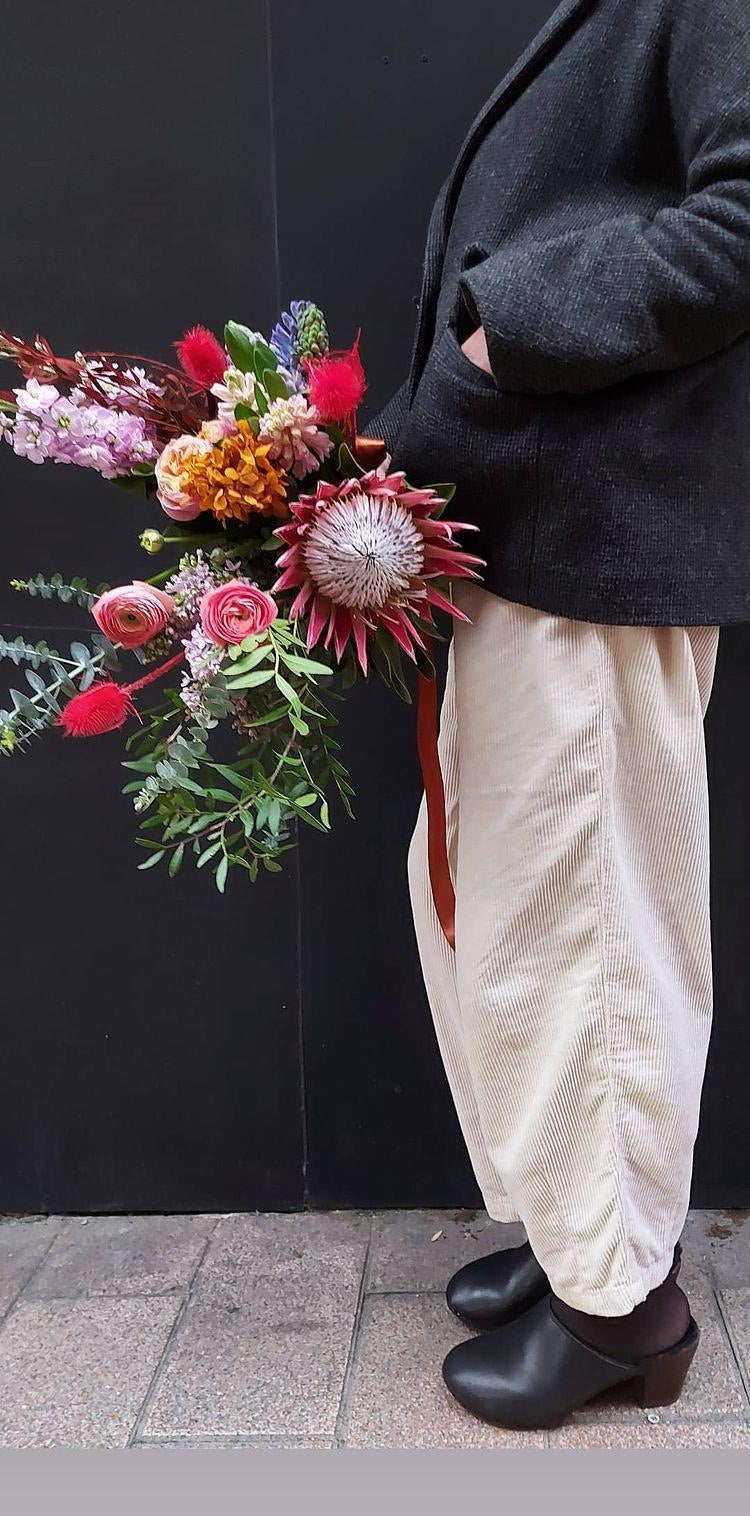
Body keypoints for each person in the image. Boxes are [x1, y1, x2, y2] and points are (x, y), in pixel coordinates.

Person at [365, 0, 750, 1429]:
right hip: (538, 520)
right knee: (516, 903)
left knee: (582, 912)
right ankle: (588, 1240)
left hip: (592, 526)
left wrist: (498, 332)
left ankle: (621, 1319)